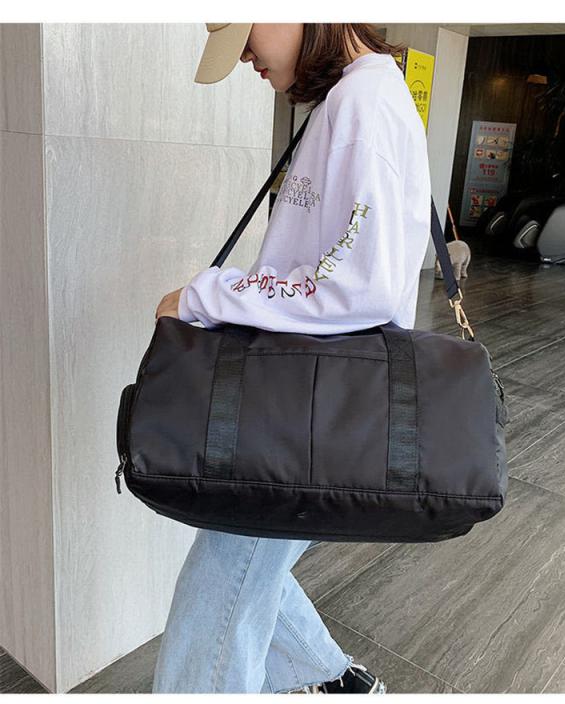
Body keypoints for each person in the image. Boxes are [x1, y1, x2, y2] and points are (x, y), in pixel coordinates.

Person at [152, 22, 431, 694]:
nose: (245, 56)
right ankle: (337, 681)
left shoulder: (364, 103)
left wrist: (203, 295)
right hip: (299, 401)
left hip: (305, 413)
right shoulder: (349, 98)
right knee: (245, 569)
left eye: (244, 32)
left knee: (218, 595)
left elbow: (357, 286)